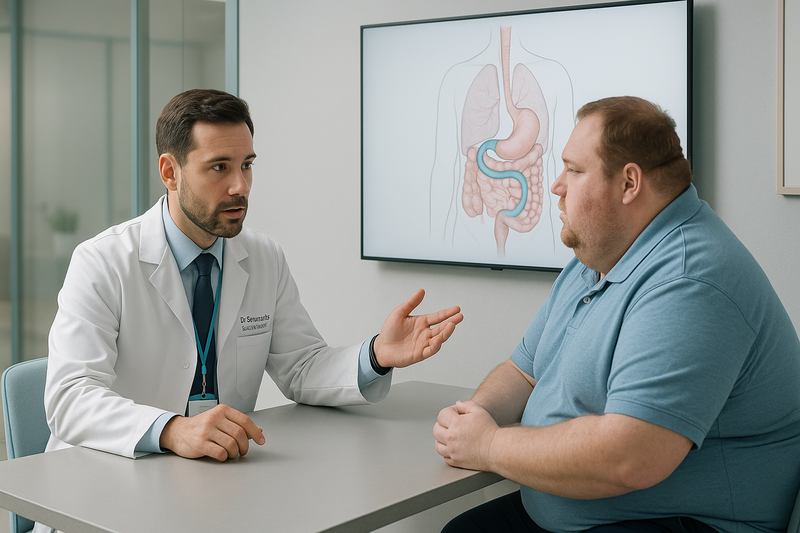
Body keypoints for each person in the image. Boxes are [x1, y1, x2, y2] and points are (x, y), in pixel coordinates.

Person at [433, 96, 800, 533]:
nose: (557, 186)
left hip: (683, 523)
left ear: (629, 183)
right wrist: (472, 418)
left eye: (574, 170)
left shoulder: (691, 281)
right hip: (587, 513)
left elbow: (631, 457)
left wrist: (490, 445)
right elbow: (523, 372)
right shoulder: (599, 257)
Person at [43, 89, 463, 465]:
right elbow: (69, 397)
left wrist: (376, 355)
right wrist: (173, 430)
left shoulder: (263, 257)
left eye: (246, 165)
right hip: (106, 474)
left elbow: (301, 366)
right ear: (170, 172)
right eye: (219, 167)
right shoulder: (103, 261)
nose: (239, 186)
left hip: (213, 477)